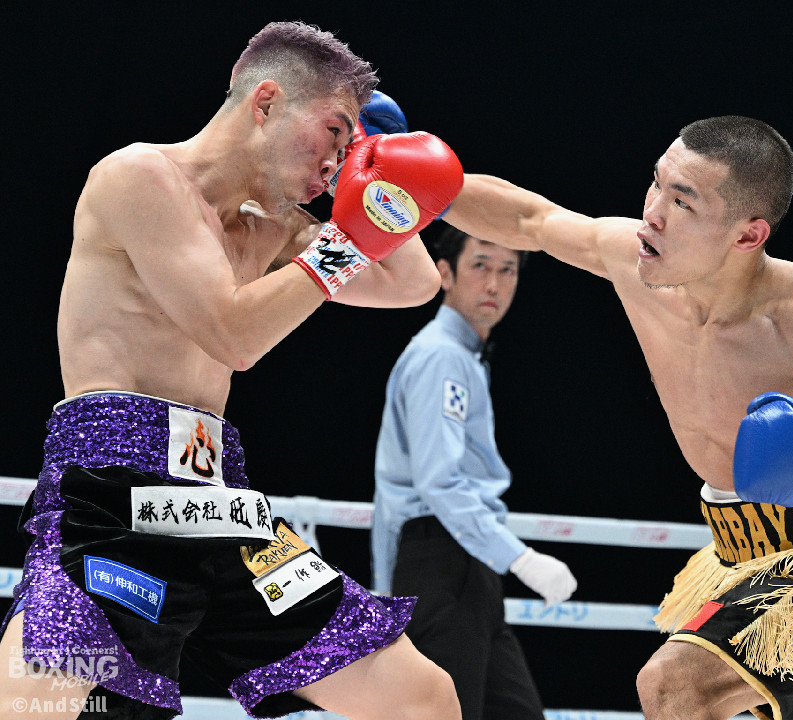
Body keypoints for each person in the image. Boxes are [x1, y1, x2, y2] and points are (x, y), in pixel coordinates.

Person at [0, 21, 466, 720]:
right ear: (267, 101)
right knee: (35, 707)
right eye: (333, 133)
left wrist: (373, 176)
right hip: (113, 497)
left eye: (349, 147)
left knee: (422, 698)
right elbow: (232, 334)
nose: (335, 162)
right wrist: (346, 239)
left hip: (219, 503)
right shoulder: (140, 178)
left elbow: (413, 283)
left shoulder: (274, 228)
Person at [442, 115, 793, 720]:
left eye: (682, 202)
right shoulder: (635, 264)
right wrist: (405, 180)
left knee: (673, 685)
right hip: (735, 552)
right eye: (656, 184)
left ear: (747, 235)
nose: (652, 213)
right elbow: (531, 219)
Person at [371, 225, 577, 720]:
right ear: (445, 273)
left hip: (461, 565)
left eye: (507, 270)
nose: (494, 284)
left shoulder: (462, 355)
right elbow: (437, 483)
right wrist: (521, 559)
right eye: (481, 265)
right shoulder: (441, 356)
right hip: (444, 562)